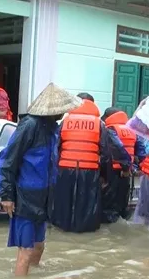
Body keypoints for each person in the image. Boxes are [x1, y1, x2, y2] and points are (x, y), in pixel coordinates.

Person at [0, 83, 82, 276]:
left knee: (39, 246)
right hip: (25, 196)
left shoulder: (52, 128)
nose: (64, 114)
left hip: (44, 197)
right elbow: (7, 160)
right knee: (25, 251)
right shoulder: (30, 125)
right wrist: (6, 195)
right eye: (62, 110)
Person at [50, 94, 131, 233]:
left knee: (64, 205)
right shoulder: (98, 123)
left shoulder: (66, 121)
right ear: (92, 104)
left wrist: (54, 170)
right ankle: (84, 234)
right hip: (89, 171)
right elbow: (106, 152)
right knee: (87, 207)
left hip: (65, 169)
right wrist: (105, 176)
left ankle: (63, 230)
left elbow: (55, 147)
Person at [101, 107, 148, 222]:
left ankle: (109, 229)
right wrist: (142, 166)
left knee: (109, 205)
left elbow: (118, 148)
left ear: (108, 117)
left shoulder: (110, 130)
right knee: (122, 202)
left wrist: (125, 166)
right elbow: (141, 150)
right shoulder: (132, 130)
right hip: (126, 173)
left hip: (113, 172)